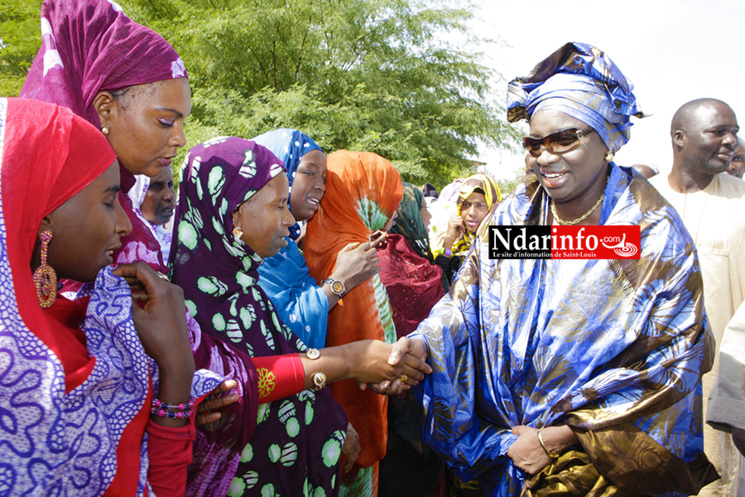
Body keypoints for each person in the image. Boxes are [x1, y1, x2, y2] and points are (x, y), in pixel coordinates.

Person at [391, 42, 717, 496]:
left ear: (607, 137)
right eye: (534, 143)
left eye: (564, 139)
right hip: (502, 451)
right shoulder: (518, 217)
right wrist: (425, 342)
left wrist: (553, 438)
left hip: (591, 466)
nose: (545, 156)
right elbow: (466, 303)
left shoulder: (647, 232)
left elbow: (673, 361)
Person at [20, 1, 286, 494]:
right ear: (104, 108)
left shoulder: (123, 234)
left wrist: (176, 385)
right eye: (166, 121)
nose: (181, 139)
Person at [170, 137, 429, 497]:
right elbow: (245, 380)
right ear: (233, 213)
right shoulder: (185, 303)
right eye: (278, 205)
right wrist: (350, 357)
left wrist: (338, 412)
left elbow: (286, 352)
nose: (290, 219)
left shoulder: (246, 282)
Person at [0, 97, 219, 496]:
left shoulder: (62, 316)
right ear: (44, 210)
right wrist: (175, 370)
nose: (124, 223)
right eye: (107, 201)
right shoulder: (34, 381)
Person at [649, 98, 745, 496]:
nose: (732, 141)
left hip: (720, 383)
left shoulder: (742, 202)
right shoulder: (637, 201)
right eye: (719, 131)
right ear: (680, 138)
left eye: (734, 132)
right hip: (645, 387)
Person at [304, 150, 404, 496]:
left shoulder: (306, 244)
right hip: (344, 432)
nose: (393, 214)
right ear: (364, 198)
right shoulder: (356, 261)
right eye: (389, 200)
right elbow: (368, 360)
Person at [253, 128, 380, 349]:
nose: (321, 186)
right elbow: (275, 331)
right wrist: (341, 281)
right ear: (279, 171)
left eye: (323, 177)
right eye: (309, 173)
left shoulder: (289, 247)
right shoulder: (251, 247)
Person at [431, 174, 502, 284]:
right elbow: (438, 283)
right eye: (466, 205)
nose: (471, 212)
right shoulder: (448, 236)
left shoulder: (507, 239)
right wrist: (448, 242)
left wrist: (485, 232)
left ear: (493, 207)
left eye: (480, 205)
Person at [128, 166, 176, 261]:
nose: (170, 196)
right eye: (156, 186)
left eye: (170, 185)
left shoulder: (178, 245)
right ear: (136, 193)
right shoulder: (125, 252)